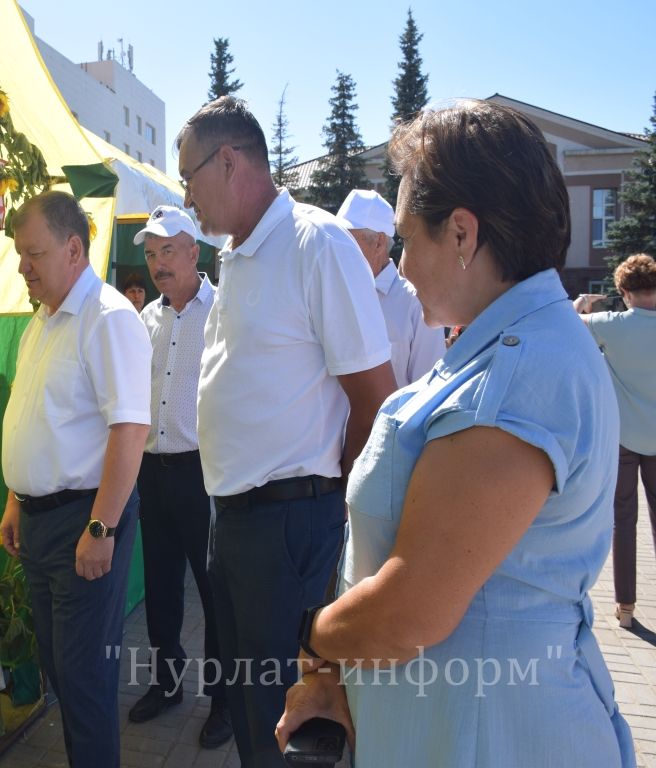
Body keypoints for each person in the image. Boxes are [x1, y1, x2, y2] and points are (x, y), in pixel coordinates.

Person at [279, 99, 635, 767]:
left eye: (409, 237)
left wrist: (317, 642)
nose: (403, 264)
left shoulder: (518, 372)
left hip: (491, 734)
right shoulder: (506, 350)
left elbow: (411, 609)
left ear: (463, 234)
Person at [177, 96, 396, 765]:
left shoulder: (316, 242)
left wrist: (331, 516)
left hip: (292, 524)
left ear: (229, 161)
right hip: (236, 523)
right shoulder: (236, 256)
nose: (186, 197)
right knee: (252, 713)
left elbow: (374, 398)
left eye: (188, 176)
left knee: (290, 724)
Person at [0, 190, 151, 767]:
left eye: (33, 253)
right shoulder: (41, 323)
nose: (22, 266)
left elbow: (130, 431)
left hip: (82, 521)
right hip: (40, 523)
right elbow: (35, 417)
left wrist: (100, 527)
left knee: (85, 683)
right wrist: (16, 500)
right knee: (62, 671)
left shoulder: (107, 318)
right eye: (19, 253)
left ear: (73, 248)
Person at [126, 205, 231, 748]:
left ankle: (224, 701)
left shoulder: (224, 314)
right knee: (162, 586)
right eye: (150, 254)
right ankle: (166, 683)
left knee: (215, 593)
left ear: (196, 252)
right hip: (153, 470)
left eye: (168, 251)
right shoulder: (147, 321)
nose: (158, 264)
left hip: (202, 473)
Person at [574, 253, 656, 629]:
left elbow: (568, 324)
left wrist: (580, 304)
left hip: (622, 438)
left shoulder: (610, 324)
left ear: (624, 291)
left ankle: (625, 608)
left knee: (624, 521)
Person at [337, 189, 444, 386]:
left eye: (348, 240)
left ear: (378, 243)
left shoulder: (417, 303)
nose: (337, 248)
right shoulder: (334, 293)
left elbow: (428, 387)